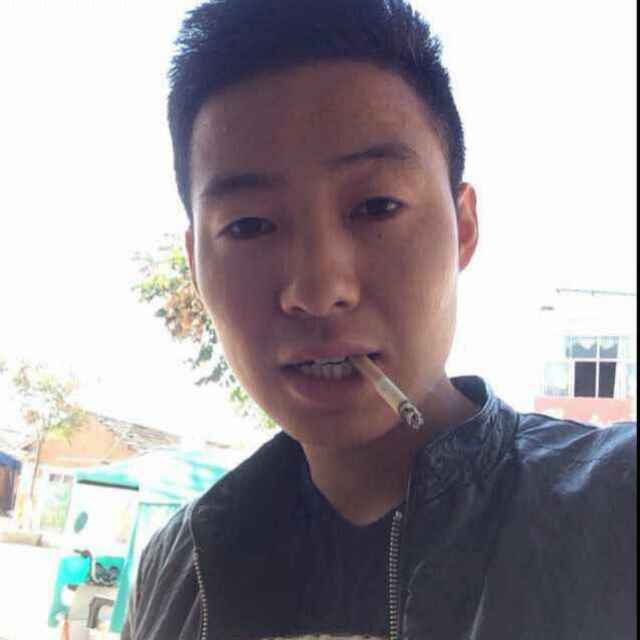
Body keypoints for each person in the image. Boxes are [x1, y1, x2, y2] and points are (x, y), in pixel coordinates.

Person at [122, 1, 636, 638]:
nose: (317, 291)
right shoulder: (178, 572)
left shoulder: (615, 506)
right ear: (197, 264)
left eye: (376, 207)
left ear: (463, 228)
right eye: (249, 225)